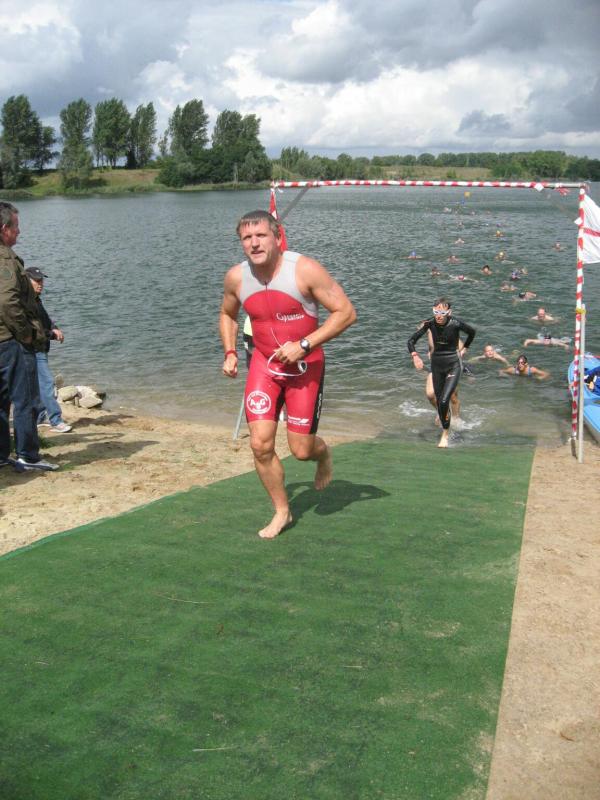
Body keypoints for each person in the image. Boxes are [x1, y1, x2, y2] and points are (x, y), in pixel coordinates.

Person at [220, 209, 356, 539]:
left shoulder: (304, 270)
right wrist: (230, 352)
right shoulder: (237, 278)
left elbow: (346, 312)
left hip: (305, 367)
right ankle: (282, 510)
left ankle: (323, 454)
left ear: (277, 236)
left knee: (301, 450)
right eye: (247, 238)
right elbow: (227, 314)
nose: (254, 243)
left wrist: (305, 344)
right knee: (260, 445)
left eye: (261, 235)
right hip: (264, 366)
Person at [0, 202, 58, 471]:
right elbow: (7, 302)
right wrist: (25, 335)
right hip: (10, 341)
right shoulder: (6, 260)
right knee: (26, 400)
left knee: (2, 402)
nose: (19, 232)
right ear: (4, 228)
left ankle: (2, 455)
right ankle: (29, 456)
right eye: (16, 227)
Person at [408, 297, 476, 448]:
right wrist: (415, 356)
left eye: (442, 313)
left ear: (448, 312)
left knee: (448, 398)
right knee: (436, 398)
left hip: (453, 365)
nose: (438, 315)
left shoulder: (454, 324)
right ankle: (444, 414)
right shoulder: (429, 326)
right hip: (436, 366)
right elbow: (411, 341)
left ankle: (448, 430)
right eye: (436, 312)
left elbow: (470, 333)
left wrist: (465, 349)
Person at [25, 267, 72, 433]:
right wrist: (51, 334)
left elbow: (44, 319)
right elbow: (32, 330)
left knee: (36, 386)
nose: (41, 284)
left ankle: (39, 417)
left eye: (42, 280)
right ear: (26, 281)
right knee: (47, 384)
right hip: (34, 348)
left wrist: (54, 327)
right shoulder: (25, 301)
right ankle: (56, 420)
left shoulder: (36, 299)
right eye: (37, 281)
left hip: (39, 347)